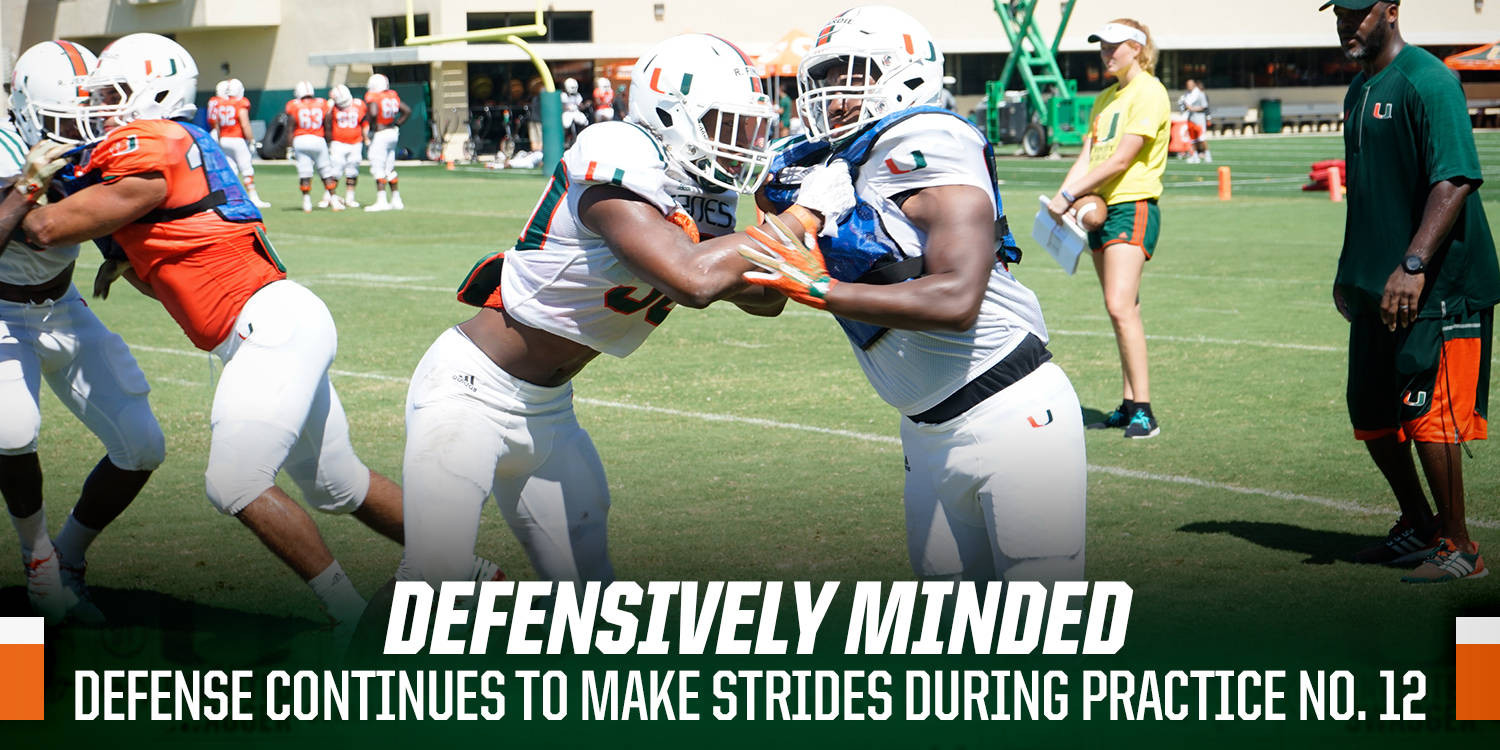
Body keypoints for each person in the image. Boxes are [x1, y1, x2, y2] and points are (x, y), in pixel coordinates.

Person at [395, 33, 851, 587]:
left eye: (745, 126)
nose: (739, 142)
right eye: (724, 124)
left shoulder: (703, 188)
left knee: (591, 592)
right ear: (670, 114)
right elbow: (694, 280)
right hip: (470, 390)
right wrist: (800, 218)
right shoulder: (616, 154)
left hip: (549, 412)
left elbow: (765, 299)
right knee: (430, 580)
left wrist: (772, 231)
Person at [11, 33, 418, 637]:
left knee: (235, 484)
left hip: (268, 328)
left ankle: (349, 619)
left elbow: (44, 227)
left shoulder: (153, 143)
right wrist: (128, 254)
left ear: (156, 96)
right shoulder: (174, 141)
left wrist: (30, 183)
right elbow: (165, 238)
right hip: (282, 319)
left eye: (115, 95)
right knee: (338, 484)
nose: (102, 109)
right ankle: (466, 563)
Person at [750, 5, 1086, 582]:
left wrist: (821, 286)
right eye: (826, 78)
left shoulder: (930, 139)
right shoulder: (830, 164)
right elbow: (764, 289)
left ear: (903, 74)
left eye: (849, 72)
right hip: (924, 431)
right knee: (947, 635)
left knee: (1044, 635)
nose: (833, 92)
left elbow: (956, 301)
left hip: (1011, 413)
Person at [1325, 0, 1498, 582]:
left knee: (1430, 416)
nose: (1347, 23)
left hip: (1439, 285)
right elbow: (1367, 196)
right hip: (1377, 285)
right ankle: (1420, 525)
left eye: (1359, 12)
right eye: (1339, 13)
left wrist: (1415, 262)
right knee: (1371, 413)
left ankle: (1460, 546)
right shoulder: (1358, 90)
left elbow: (1454, 180)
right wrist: (1351, 270)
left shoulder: (1430, 81)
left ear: (1391, 11)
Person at [0, 40, 163, 624]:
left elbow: (95, 201)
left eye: (86, 115)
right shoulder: (5, 144)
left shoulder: (90, 136)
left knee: (143, 445)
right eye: (64, 117)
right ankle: (37, 560)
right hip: (1, 315)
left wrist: (114, 247)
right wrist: (24, 186)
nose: (79, 129)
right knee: (12, 429)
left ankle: (67, 558)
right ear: (23, 107)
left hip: (61, 305)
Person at [1048, 19, 1170, 439]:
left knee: (1120, 307)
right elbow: (1089, 154)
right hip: (1097, 206)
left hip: (1130, 205)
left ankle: (1145, 412)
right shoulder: (1104, 98)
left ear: (1137, 47)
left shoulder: (1150, 92)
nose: (1106, 51)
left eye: (1114, 45)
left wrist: (1069, 196)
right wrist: (1062, 197)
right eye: (1102, 45)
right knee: (1122, 308)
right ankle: (1130, 403)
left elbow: (1120, 160)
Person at [285, 81, 342, 212]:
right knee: (326, 171)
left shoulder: (294, 105)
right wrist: (329, 143)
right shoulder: (322, 103)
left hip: (300, 140)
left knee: (305, 172)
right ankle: (334, 200)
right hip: (318, 139)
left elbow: (290, 128)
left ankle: (307, 203)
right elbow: (327, 125)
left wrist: (289, 148)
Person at [211, 78, 269, 207]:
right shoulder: (241, 103)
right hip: (237, 139)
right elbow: (245, 124)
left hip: (224, 139)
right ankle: (253, 197)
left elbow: (217, 125)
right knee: (246, 168)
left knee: (231, 170)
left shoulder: (220, 103)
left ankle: (229, 197)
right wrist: (252, 139)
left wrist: (221, 139)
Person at [363, 73, 410, 212]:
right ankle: (396, 199)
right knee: (389, 168)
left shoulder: (374, 97)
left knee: (378, 167)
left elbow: (372, 113)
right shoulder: (392, 95)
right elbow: (407, 111)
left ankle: (381, 200)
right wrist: (397, 124)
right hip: (392, 132)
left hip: (380, 133)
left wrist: (370, 129)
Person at [326, 84, 367, 208]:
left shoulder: (359, 104)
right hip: (338, 143)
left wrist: (366, 136)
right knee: (335, 171)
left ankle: (350, 198)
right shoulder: (332, 107)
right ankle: (329, 197)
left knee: (352, 171)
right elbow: (327, 122)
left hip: (356, 142)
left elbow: (364, 122)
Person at [1179, 79, 1211, 163]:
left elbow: (1204, 106)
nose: (1188, 86)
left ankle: (1207, 154)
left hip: (1199, 118)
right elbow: (1185, 107)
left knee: (1201, 138)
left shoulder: (1200, 94)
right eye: (1187, 84)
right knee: (1193, 139)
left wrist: (1192, 108)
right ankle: (1195, 155)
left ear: (1193, 85)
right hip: (1190, 119)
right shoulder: (1186, 95)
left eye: (1190, 84)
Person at [559, 77, 589, 143]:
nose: (574, 89)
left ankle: (582, 136)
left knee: (584, 121)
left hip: (575, 112)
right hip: (567, 112)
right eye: (572, 88)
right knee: (566, 124)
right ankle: (565, 138)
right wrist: (567, 108)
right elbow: (562, 106)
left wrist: (584, 105)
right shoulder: (563, 95)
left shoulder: (577, 95)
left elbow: (580, 105)